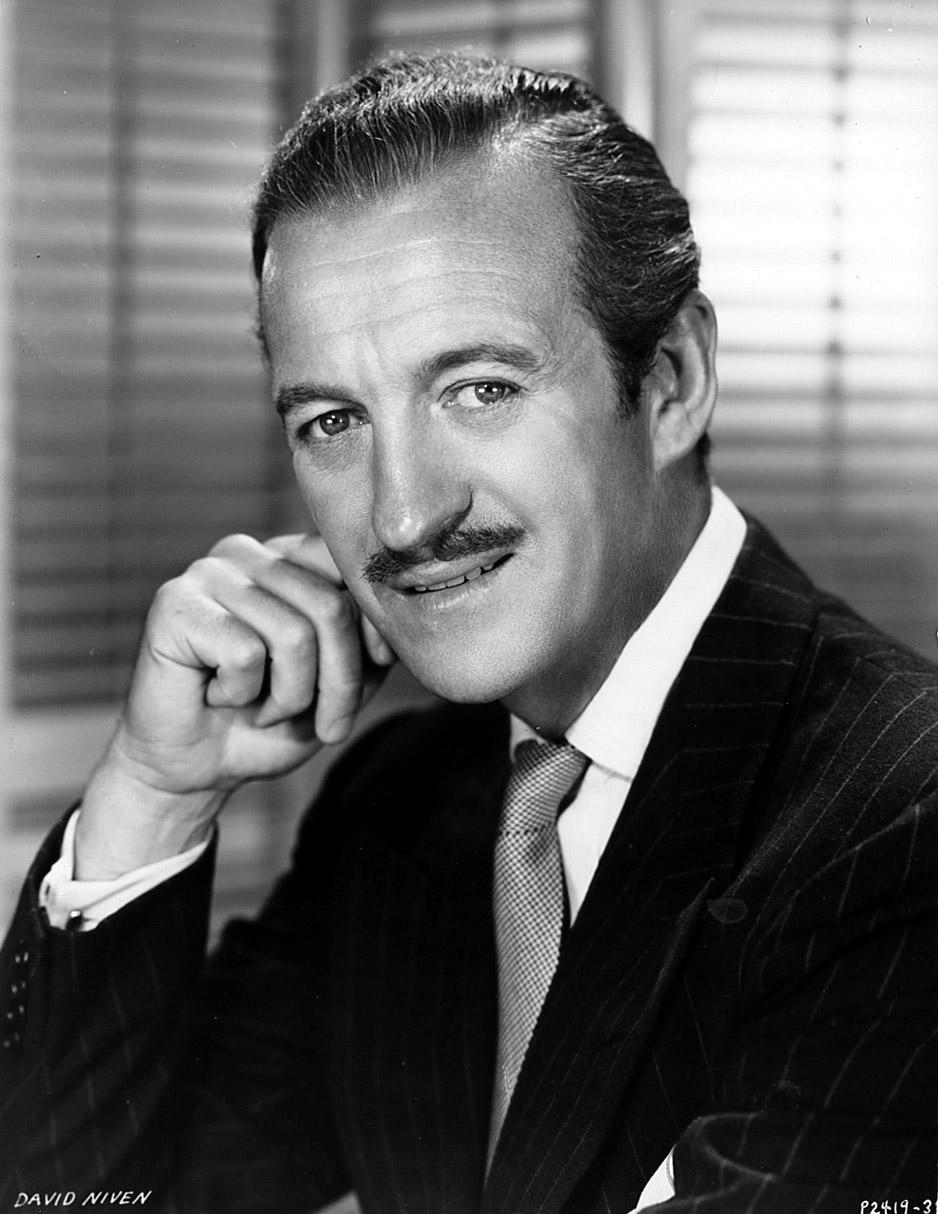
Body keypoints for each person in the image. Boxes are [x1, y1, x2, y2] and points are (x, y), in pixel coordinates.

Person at [1, 53, 935, 1214]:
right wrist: (153, 791)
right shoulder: (398, 797)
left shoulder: (903, 819)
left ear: (671, 381)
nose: (401, 516)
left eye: (479, 388)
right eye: (332, 419)